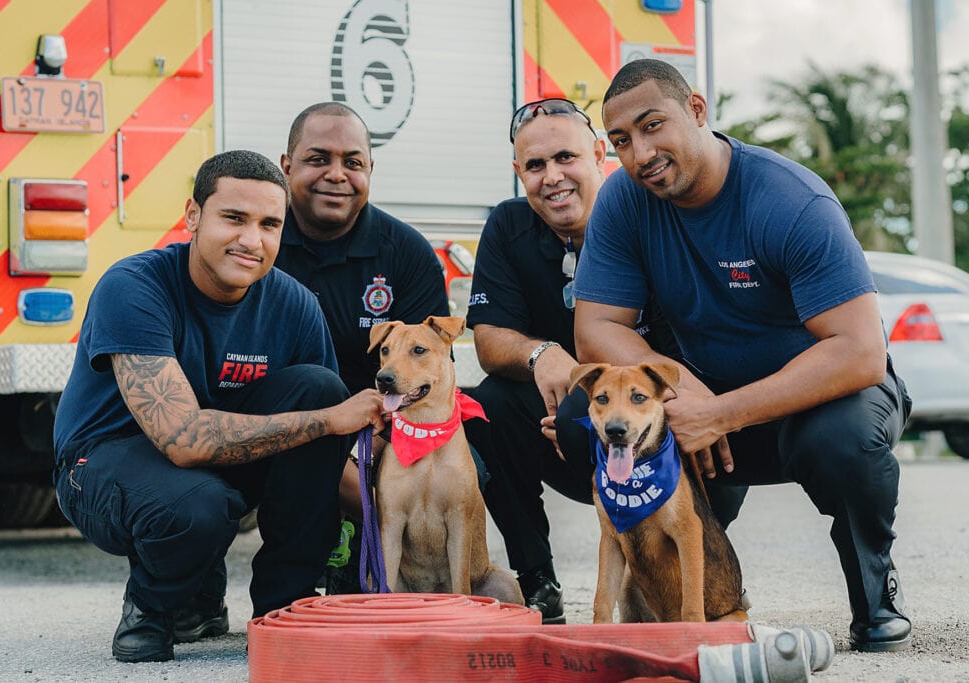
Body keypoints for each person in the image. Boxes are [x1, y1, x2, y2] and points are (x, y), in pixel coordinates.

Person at [567, 58, 912, 651]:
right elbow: (596, 325)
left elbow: (860, 352)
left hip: (817, 399)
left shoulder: (790, 200)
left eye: (653, 126)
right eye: (621, 141)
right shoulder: (623, 200)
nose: (639, 153)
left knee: (842, 442)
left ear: (697, 110)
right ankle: (679, 599)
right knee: (590, 430)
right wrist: (689, 397)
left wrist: (725, 413)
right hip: (708, 398)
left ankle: (875, 596)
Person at [52, 150, 385, 663]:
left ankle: (284, 608)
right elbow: (182, 441)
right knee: (197, 505)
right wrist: (327, 420)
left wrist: (395, 517)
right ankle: (153, 609)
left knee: (318, 386)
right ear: (192, 217)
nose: (252, 240)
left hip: (213, 465)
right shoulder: (134, 287)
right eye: (234, 218)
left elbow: (323, 453)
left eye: (269, 224)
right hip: (103, 463)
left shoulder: (295, 304)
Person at [273, 102, 449, 591]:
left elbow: (426, 378)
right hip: (283, 420)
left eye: (353, 162)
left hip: (383, 421)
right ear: (287, 167)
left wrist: (369, 447)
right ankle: (197, 588)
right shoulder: (260, 243)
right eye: (318, 159)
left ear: (370, 170)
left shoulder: (407, 254)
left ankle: (391, 569)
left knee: (469, 467)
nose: (337, 175)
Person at [463, 97, 610, 623]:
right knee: (488, 405)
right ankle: (538, 583)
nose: (553, 177)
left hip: (642, 421)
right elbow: (488, 340)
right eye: (536, 165)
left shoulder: (643, 216)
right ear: (518, 173)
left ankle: (704, 565)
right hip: (556, 430)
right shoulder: (507, 226)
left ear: (599, 154)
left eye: (566, 158)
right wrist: (541, 353)